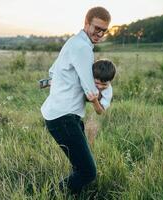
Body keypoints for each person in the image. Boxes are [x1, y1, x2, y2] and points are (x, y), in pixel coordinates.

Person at [40, 6, 111, 195]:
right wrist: (103, 88)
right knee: (88, 172)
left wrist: (63, 84)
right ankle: (52, 195)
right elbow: (90, 92)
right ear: (86, 23)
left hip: (63, 114)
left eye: (104, 30)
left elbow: (53, 71)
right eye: (97, 28)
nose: (100, 33)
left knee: (79, 167)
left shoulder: (74, 42)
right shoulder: (82, 47)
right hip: (63, 117)